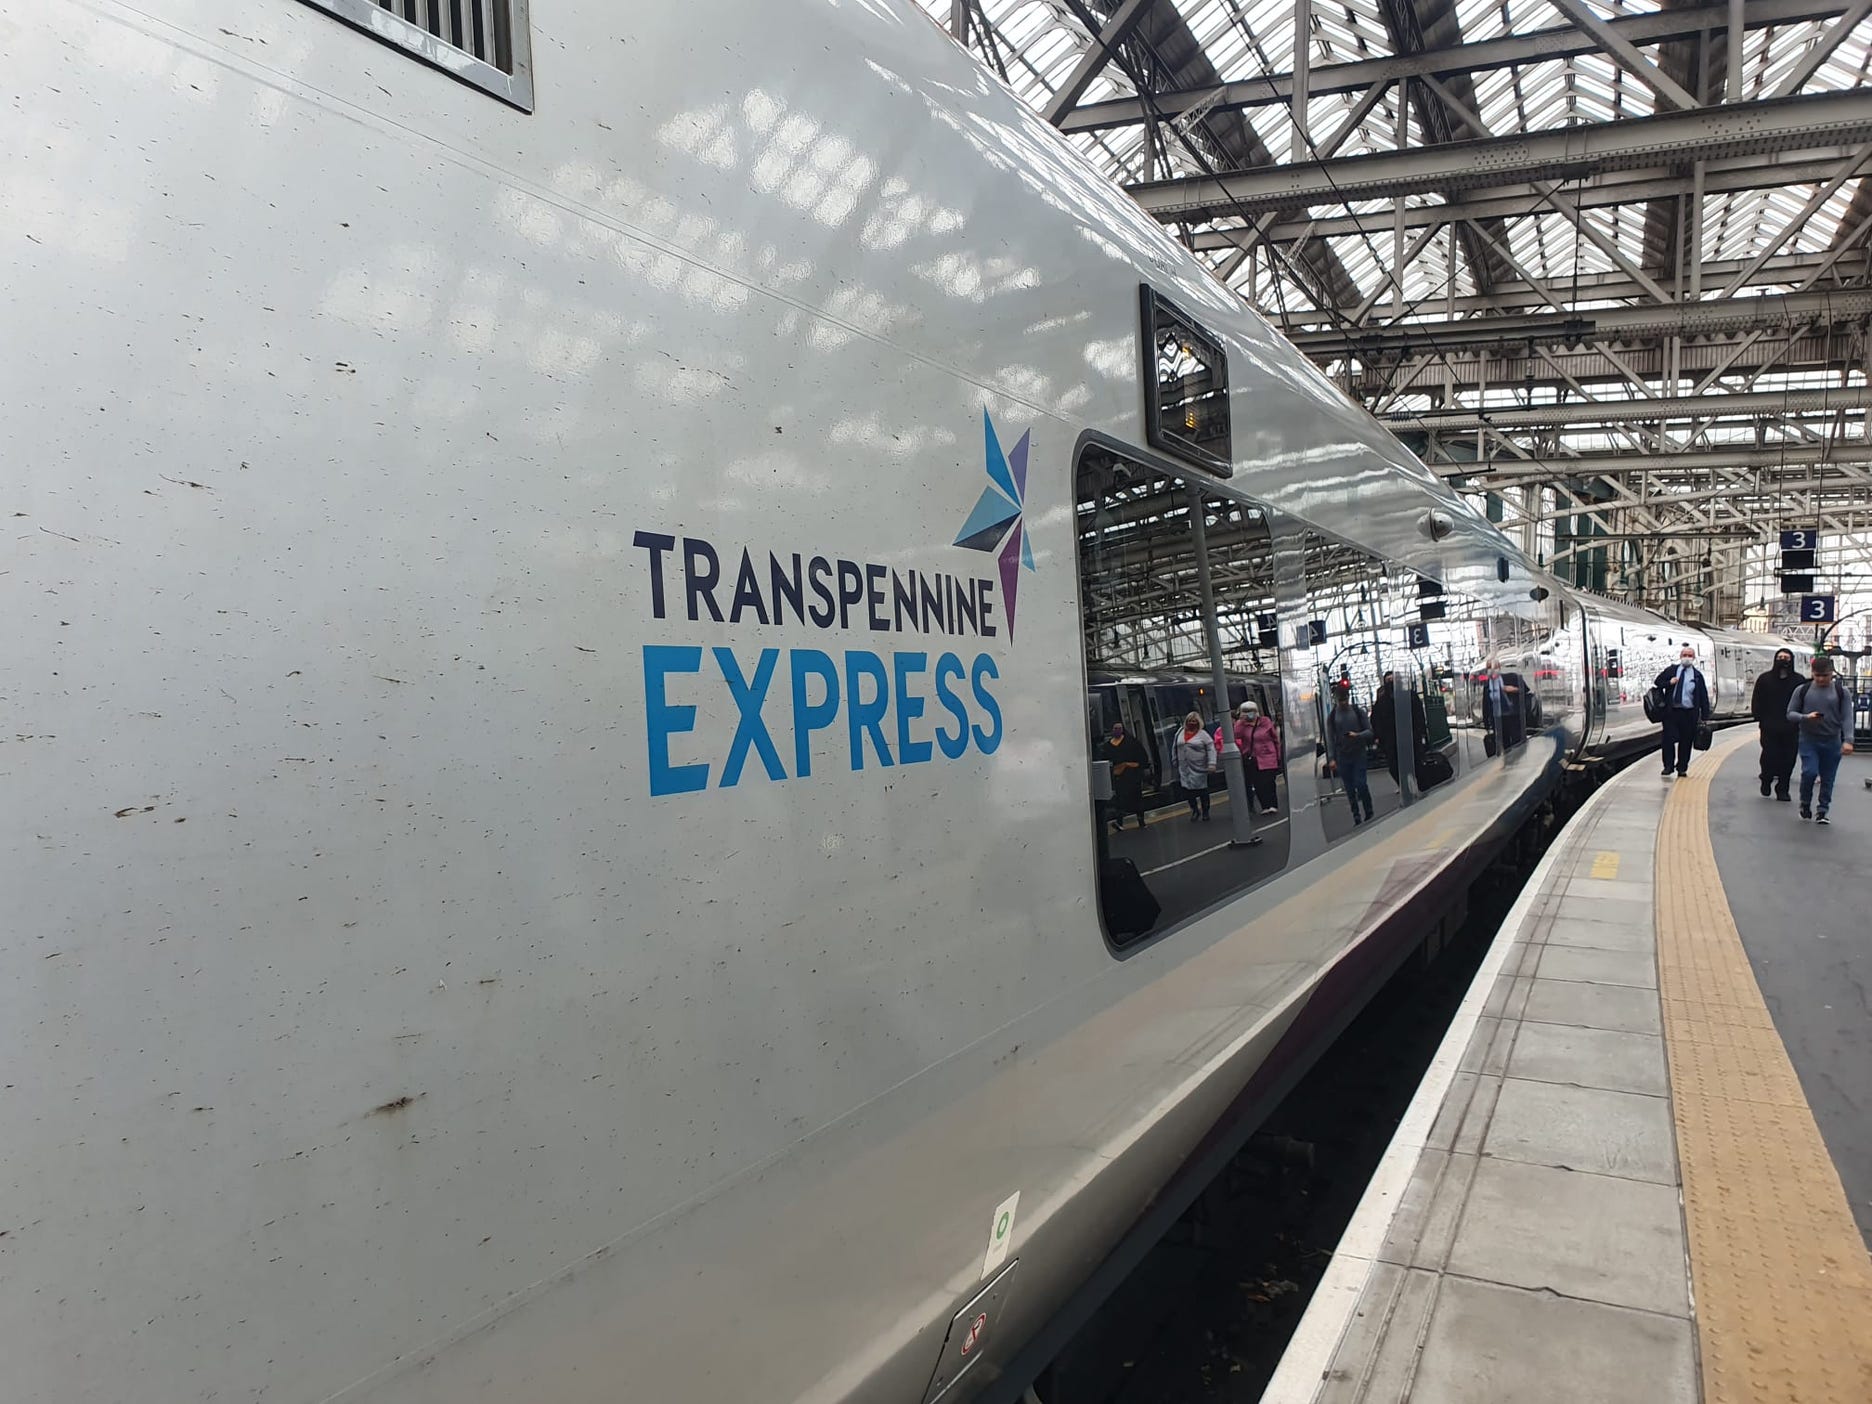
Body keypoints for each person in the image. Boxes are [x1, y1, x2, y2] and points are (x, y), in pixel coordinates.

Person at [1788, 654, 1856, 824]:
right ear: (1812, 673)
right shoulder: (1802, 690)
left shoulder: (1842, 692)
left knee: (1828, 777)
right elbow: (1790, 714)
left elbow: (1847, 716)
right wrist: (1805, 717)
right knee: (1809, 772)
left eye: (1824, 676)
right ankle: (1805, 802)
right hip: (1808, 739)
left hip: (1832, 740)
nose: (1820, 679)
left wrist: (1848, 740)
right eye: (1816, 675)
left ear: (1832, 674)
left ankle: (1822, 810)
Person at [1749, 648, 1804, 801]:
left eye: (1786, 657)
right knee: (1769, 755)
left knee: (1788, 758)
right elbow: (1757, 699)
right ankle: (1766, 779)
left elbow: (1803, 701)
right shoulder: (1764, 679)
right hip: (1769, 726)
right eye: (1780, 657)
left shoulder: (1798, 680)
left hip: (1791, 726)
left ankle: (1783, 788)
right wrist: (1759, 717)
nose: (1783, 660)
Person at [1653, 645, 1710, 779]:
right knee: (1668, 740)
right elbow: (1658, 682)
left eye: (1690, 656)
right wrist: (1669, 682)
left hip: (1689, 713)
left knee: (1686, 741)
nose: (1687, 658)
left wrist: (1705, 716)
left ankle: (1682, 767)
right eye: (1685, 655)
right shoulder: (1672, 670)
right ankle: (1668, 766)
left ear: (1694, 658)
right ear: (1680, 656)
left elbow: (1703, 696)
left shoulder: (1697, 676)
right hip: (1671, 712)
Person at [1325, 681, 1375, 826]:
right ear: (1336, 699)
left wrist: (1357, 735)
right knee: (1349, 788)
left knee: (1361, 783)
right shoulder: (1333, 716)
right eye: (1341, 700)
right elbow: (1330, 738)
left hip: (1358, 752)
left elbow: (1370, 731)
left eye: (1345, 699)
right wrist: (1331, 758)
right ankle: (1356, 815)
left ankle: (1368, 810)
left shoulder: (1358, 712)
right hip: (1342, 755)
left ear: (1349, 697)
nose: (1343, 702)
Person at [1372, 672, 1429, 794]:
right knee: (1394, 767)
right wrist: (1380, 738)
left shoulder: (1410, 696)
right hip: (1392, 742)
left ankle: (1420, 786)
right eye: (1388, 680)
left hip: (1411, 737)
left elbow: (1419, 716)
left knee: (1416, 763)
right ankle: (1405, 787)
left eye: (1393, 679)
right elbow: (1376, 721)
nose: (1391, 683)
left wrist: (1421, 733)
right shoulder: (1381, 702)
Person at [1102, 721, 1150, 831]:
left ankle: (1141, 820)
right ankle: (1120, 823)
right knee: (1120, 801)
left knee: (1137, 799)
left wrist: (1133, 765)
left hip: (1133, 775)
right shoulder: (1107, 746)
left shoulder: (1131, 742)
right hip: (1119, 777)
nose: (1117, 730)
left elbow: (1142, 758)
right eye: (1115, 728)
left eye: (1119, 728)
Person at [1236, 701, 1282, 813]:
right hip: (1253, 759)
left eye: (1250, 711)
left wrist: (1278, 755)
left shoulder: (1265, 722)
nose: (1249, 714)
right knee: (1258, 783)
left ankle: (1273, 805)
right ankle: (1265, 806)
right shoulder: (1242, 725)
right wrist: (1240, 721)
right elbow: (1235, 735)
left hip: (1268, 756)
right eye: (1246, 711)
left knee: (1269, 781)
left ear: (1256, 711)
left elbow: (1275, 739)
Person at [1173, 710, 1218, 822]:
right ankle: (1194, 810)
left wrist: (1212, 763)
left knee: (1202, 790)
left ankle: (1205, 811)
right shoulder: (1179, 733)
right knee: (1188, 791)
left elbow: (1211, 748)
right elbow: (1175, 747)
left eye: (1194, 721)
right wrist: (1174, 760)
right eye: (1189, 721)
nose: (1191, 723)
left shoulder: (1203, 734)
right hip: (1184, 767)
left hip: (1199, 767)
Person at [1479, 658, 1527, 754]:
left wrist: (1513, 690)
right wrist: (1486, 724)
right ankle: (1508, 763)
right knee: (1504, 746)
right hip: (1498, 719)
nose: (1492, 670)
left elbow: (1525, 690)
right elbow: (1486, 705)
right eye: (1489, 668)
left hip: (1513, 717)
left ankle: (1519, 760)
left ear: (1499, 667)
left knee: (1518, 743)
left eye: (1494, 667)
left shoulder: (1512, 677)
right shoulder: (1488, 685)